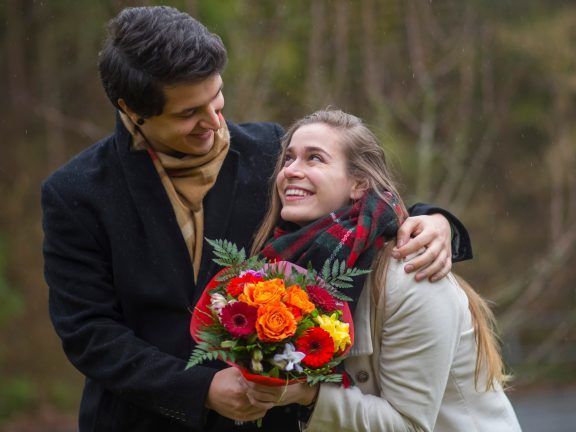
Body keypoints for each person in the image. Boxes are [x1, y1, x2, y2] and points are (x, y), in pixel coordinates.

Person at [41, 7, 472, 432]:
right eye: (189, 113)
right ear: (132, 109)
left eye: (216, 97)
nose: (213, 122)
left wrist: (433, 220)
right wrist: (199, 389)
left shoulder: (270, 150)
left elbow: (355, 204)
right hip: (140, 421)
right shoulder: (76, 193)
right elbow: (88, 332)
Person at [243, 109, 521, 431]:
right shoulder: (279, 268)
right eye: (289, 158)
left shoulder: (411, 274)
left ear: (359, 183)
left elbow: (409, 426)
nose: (291, 170)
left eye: (314, 158)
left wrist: (310, 395)